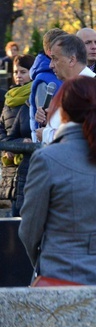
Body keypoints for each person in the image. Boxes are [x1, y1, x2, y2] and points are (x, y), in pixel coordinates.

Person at [19, 77, 96, 284]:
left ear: (61, 109)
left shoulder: (47, 158)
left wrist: (45, 261)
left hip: (61, 278)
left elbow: (29, 229)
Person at [35, 34, 96, 144]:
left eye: (55, 59)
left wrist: (46, 135)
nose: (51, 65)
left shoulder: (86, 89)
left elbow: (86, 136)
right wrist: (50, 118)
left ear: (72, 60)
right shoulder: (76, 86)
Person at [0, 55, 34, 216]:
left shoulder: (34, 95)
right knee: (12, 212)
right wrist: (8, 145)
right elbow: (1, 126)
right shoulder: (9, 97)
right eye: (16, 72)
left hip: (28, 160)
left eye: (23, 72)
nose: (18, 75)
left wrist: (19, 143)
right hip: (10, 158)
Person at [29, 28, 65, 142]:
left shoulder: (61, 74)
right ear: (50, 51)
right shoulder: (44, 80)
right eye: (63, 46)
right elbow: (44, 121)